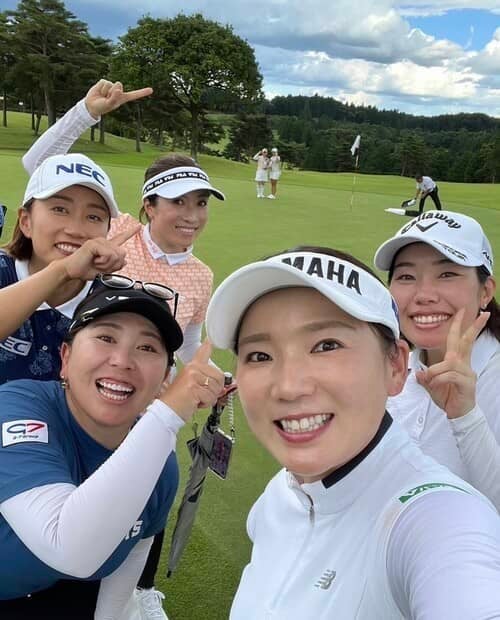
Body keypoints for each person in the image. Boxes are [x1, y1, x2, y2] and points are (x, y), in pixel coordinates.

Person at [22, 78, 226, 619]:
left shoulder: (202, 274)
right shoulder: (121, 232)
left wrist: (202, 380)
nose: (192, 215)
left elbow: (190, 344)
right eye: (178, 202)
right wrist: (85, 114)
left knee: (142, 502)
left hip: (140, 406)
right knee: (64, 507)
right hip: (71, 393)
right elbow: (41, 171)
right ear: (148, 206)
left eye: (201, 203)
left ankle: (133, 592)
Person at [205, 246, 500, 619]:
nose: (289, 387)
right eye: (260, 355)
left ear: (396, 366)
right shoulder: (279, 494)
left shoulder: (438, 519)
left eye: (326, 346)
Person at [0, 281, 224, 619]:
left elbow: (135, 551)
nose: (122, 361)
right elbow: (66, 548)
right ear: (65, 358)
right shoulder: (17, 406)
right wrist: (167, 415)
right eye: (106, 338)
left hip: (58, 587)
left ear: (165, 378)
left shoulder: (159, 463)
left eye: (147, 347)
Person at [374, 210, 500, 511]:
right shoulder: (394, 367)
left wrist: (465, 417)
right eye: (406, 276)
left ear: (485, 291)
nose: (424, 295)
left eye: (447, 274)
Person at [0, 151, 135, 385]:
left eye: (93, 217)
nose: (75, 230)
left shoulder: (112, 302)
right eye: (60, 209)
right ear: (26, 221)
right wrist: (63, 271)